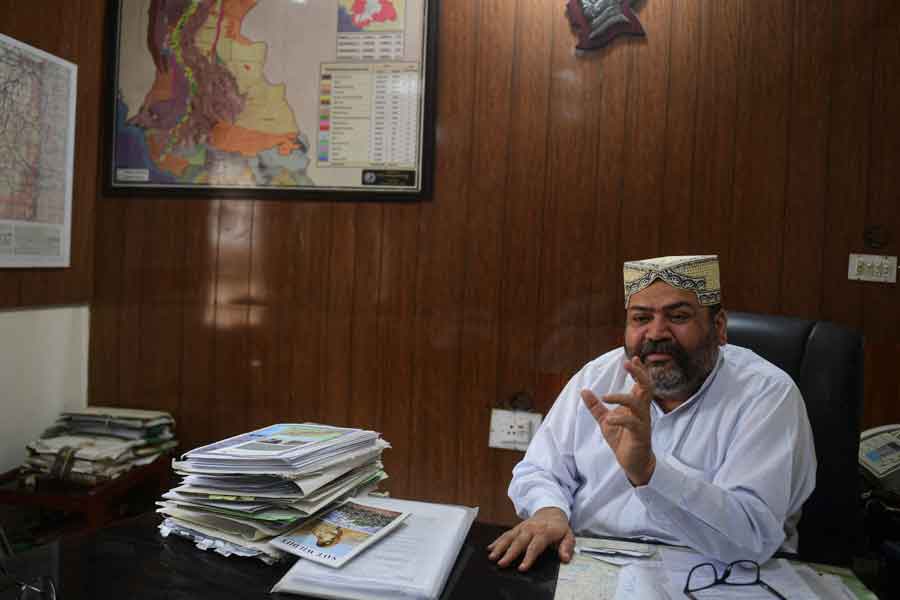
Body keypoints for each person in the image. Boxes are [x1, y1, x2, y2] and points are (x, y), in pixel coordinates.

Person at [487, 255, 816, 572]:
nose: (657, 333)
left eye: (678, 316)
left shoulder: (767, 394)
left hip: (715, 574)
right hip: (588, 561)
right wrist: (549, 510)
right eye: (641, 318)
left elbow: (751, 536)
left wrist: (649, 473)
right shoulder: (597, 377)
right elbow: (539, 469)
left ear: (718, 327)